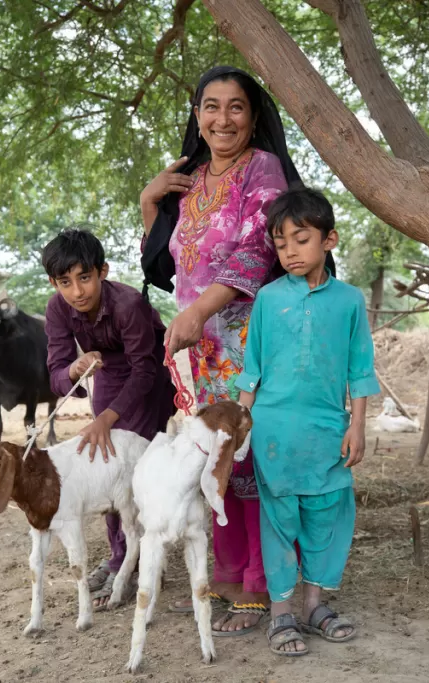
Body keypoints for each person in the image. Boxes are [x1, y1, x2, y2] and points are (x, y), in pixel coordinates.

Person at [139, 66, 335, 635]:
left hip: (252, 338)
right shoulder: (191, 177)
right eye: (211, 106)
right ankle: (226, 580)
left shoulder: (263, 170)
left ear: (254, 117)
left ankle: (260, 584)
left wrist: (200, 311)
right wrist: (152, 202)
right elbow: (165, 261)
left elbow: (255, 251)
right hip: (202, 348)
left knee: (249, 458)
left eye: (236, 108)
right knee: (212, 454)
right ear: (196, 114)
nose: (222, 119)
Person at [236, 185, 380, 657]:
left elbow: (360, 371)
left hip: (327, 431)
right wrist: (241, 426)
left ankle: (315, 606)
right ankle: (281, 615)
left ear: (329, 240)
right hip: (272, 431)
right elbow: (251, 369)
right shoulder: (268, 299)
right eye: (280, 244)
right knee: (279, 519)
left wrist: (356, 426)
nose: (290, 252)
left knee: (326, 517)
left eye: (301, 239)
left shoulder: (350, 301)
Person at [42, 228, 177, 608]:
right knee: (108, 467)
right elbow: (55, 372)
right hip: (107, 373)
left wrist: (106, 418)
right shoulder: (57, 309)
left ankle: (140, 561)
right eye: (65, 282)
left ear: (102, 271)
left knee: (135, 470)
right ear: (54, 283)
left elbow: (145, 370)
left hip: (147, 377)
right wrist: (73, 370)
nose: (77, 291)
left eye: (84, 277)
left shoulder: (128, 304)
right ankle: (121, 557)